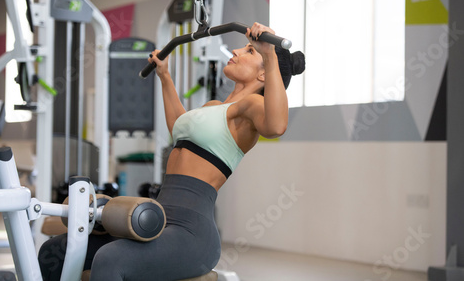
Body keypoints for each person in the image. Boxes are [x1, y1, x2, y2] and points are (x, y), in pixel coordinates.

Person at [38, 22, 305, 280]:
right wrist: (165, 76)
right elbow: (179, 126)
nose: (235, 51)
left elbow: (277, 126)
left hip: (191, 233)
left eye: (248, 51)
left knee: (110, 259)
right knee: (55, 251)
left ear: (263, 74)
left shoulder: (252, 107)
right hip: (158, 219)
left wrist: (270, 56)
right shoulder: (214, 106)